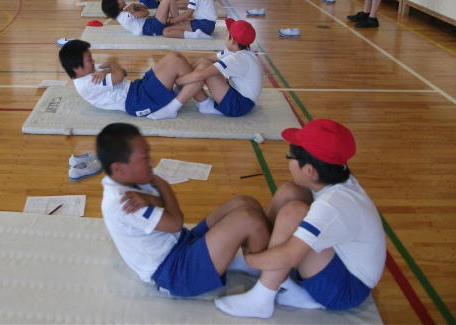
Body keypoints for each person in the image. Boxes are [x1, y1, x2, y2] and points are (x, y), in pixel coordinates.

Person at [215, 119, 385, 318]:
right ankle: (267, 262)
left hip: (346, 289)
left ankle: (261, 298)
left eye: (290, 157)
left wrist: (251, 259)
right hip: (339, 265)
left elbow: (290, 255)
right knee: (290, 192)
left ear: (310, 170)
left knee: (293, 213)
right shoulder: (337, 180)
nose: (287, 162)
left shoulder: (332, 205)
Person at [97, 122, 270, 297]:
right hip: (176, 272)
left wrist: (152, 198)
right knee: (248, 219)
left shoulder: (130, 179)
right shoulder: (124, 203)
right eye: (144, 158)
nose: (151, 162)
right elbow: (175, 223)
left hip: (184, 242)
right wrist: (161, 183)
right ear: (119, 169)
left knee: (245, 203)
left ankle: (256, 264)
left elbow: (164, 207)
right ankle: (269, 285)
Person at [59, 39, 212, 120]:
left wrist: (110, 67)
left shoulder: (89, 71)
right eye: (89, 59)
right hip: (137, 101)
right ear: (76, 68)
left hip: (136, 88)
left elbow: (122, 72)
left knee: (174, 56)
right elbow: (119, 74)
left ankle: (185, 90)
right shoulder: (87, 83)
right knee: (177, 64)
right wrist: (111, 65)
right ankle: (200, 102)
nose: (93, 61)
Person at [176, 18, 262, 117]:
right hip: (238, 96)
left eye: (227, 34)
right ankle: (183, 92)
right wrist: (186, 70)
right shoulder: (237, 50)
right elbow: (206, 59)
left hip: (239, 106)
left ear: (233, 41)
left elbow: (201, 75)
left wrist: (178, 80)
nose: (225, 36)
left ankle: (175, 104)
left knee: (204, 69)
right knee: (204, 63)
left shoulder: (239, 58)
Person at [101, 0, 178, 37]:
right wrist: (134, 7)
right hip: (151, 28)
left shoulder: (122, 15)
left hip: (150, 24)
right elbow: (146, 12)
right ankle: (178, 23)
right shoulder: (125, 16)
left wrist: (134, 5)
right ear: (116, 5)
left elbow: (145, 8)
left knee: (167, 4)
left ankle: (177, 22)